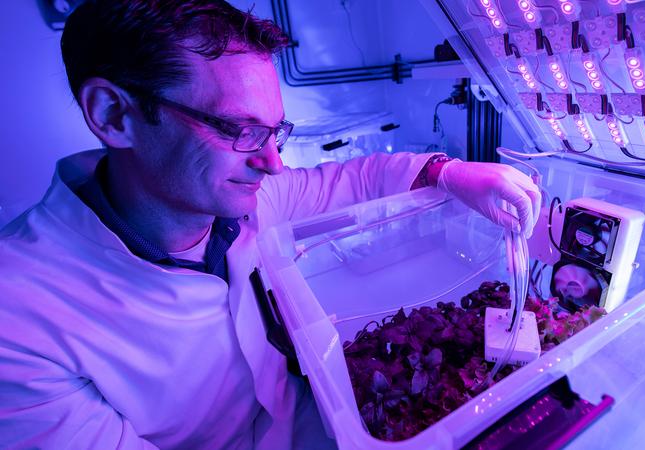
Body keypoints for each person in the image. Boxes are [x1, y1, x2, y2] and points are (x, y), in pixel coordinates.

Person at [0, 1, 541, 448]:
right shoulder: (17, 317)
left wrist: (455, 172)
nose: (274, 163)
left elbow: (358, 178)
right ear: (115, 115)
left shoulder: (237, 202)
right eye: (239, 129)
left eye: (275, 131)